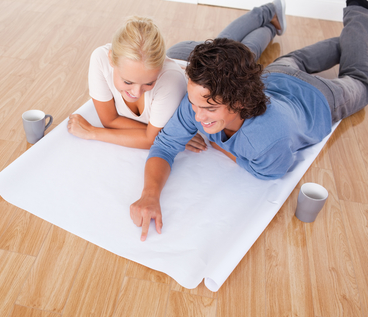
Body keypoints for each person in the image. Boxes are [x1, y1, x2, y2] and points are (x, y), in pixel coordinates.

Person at [130, 1, 368, 241]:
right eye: (194, 104)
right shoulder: (200, 100)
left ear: (239, 102)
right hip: (279, 74)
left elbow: (271, 172)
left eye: (210, 109)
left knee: (360, 79)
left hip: (318, 97)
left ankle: (359, 9)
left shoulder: (267, 141)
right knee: (315, 54)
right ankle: (357, 40)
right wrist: (150, 195)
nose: (197, 116)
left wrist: (220, 146)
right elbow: (164, 145)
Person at [67, 1, 286, 150]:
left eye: (148, 82)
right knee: (231, 42)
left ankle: (268, 10)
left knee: (243, 51)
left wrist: (92, 133)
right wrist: (172, 133)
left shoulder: (169, 81)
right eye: (127, 81)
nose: (135, 92)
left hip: (196, 69)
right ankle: (272, 25)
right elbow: (110, 119)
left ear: (158, 70)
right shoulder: (100, 59)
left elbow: (148, 139)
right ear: (111, 59)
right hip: (184, 58)